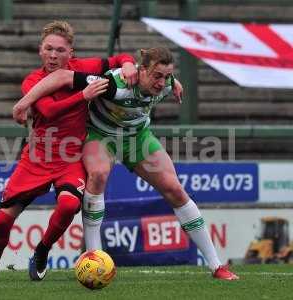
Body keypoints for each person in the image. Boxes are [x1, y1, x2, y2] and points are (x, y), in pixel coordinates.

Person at [16, 46, 239, 281]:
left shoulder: (167, 83)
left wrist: (174, 82)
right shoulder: (116, 83)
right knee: (99, 174)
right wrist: (24, 103)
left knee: (175, 189)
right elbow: (61, 76)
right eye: (157, 76)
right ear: (141, 71)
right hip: (100, 135)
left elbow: (168, 77)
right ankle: (95, 257)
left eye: (166, 77)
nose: (162, 82)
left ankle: (216, 266)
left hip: (137, 138)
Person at [0, 20, 138, 282]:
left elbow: (118, 57)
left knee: (69, 204)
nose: (53, 55)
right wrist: (84, 96)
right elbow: (47, 110)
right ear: (40, 50)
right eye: (48, 49)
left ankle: (42, 251)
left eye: (60, 50)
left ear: (72, 53)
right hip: (36, 158)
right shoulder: (33, 81)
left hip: (70, 158)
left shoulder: (81, 69)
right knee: (3, 220)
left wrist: (126, 64)